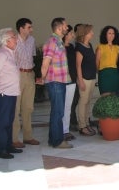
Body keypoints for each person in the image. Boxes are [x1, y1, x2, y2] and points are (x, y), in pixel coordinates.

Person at [0, 28, 23, 159]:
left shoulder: (10, 52)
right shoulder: (1, 54)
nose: (16, 39)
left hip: (11, 92)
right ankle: (1, 149)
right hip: (4, 93)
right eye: (14, 37)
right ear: (7, 40)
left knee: (9, 120)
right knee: (3, 121)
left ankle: (8, 146)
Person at [40, 17, 73, 149]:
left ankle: (53, 139)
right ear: (59, 27)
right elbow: (45, 62)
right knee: (58, 112)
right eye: (65, 25)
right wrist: (42, 78)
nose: (67, 27)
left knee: (57, 112)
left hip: (60, 81)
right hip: (55, 81)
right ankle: (58, 141)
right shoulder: (52, 42)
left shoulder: (58, 41)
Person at [12, 17, 40, 148]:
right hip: (17, 75)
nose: (31, 29)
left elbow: (33, 57)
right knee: (16, 108)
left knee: (28, 107)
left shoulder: (32, 40)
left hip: (30, 74)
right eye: (29, 27)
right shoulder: (13, 41)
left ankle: (28, 137)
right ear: (21, 28)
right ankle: (14, 139)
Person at [76, 24, 97, 136]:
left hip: (92, 77)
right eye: (90, 32)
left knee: (88, 101)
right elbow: (78, 65)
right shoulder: (79, 47)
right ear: (84, 33)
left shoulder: (89, 45)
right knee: (83, 102)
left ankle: (87, 122)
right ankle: (82, 126)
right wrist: (81, 81)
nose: (92, 33)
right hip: (84, 78)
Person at [96, 25, 119, 96]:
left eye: (113, 33)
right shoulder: (100, 47)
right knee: (105, 96)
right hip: (104, 73)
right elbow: (97, 61)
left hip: (114, 73)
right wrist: (99, 72)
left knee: (114, 96)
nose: (111, 35)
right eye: (109, 33)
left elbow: (116, 61)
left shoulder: (117, 47)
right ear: (105, 35)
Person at [62, 25, 77, 141]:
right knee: (60, 107)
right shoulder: (59, 47)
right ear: (66, 35)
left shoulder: (71, 47)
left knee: (68, 107)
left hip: (72, 80)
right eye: (71, 33)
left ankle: (65, 130)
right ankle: (59, 130)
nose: (73, 35)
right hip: (61, 80)